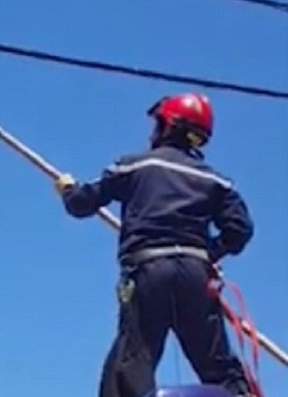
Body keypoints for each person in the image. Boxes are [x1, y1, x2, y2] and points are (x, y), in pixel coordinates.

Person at [52, 92, 258, 397]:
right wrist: (209, 254)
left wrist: (68, 189)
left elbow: (83, 204)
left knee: (133, 360)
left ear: (167, 126)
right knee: (217, 367)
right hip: (195, 275)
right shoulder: (216, 181)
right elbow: (240, 230)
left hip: (149, 271)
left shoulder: (133, 166)